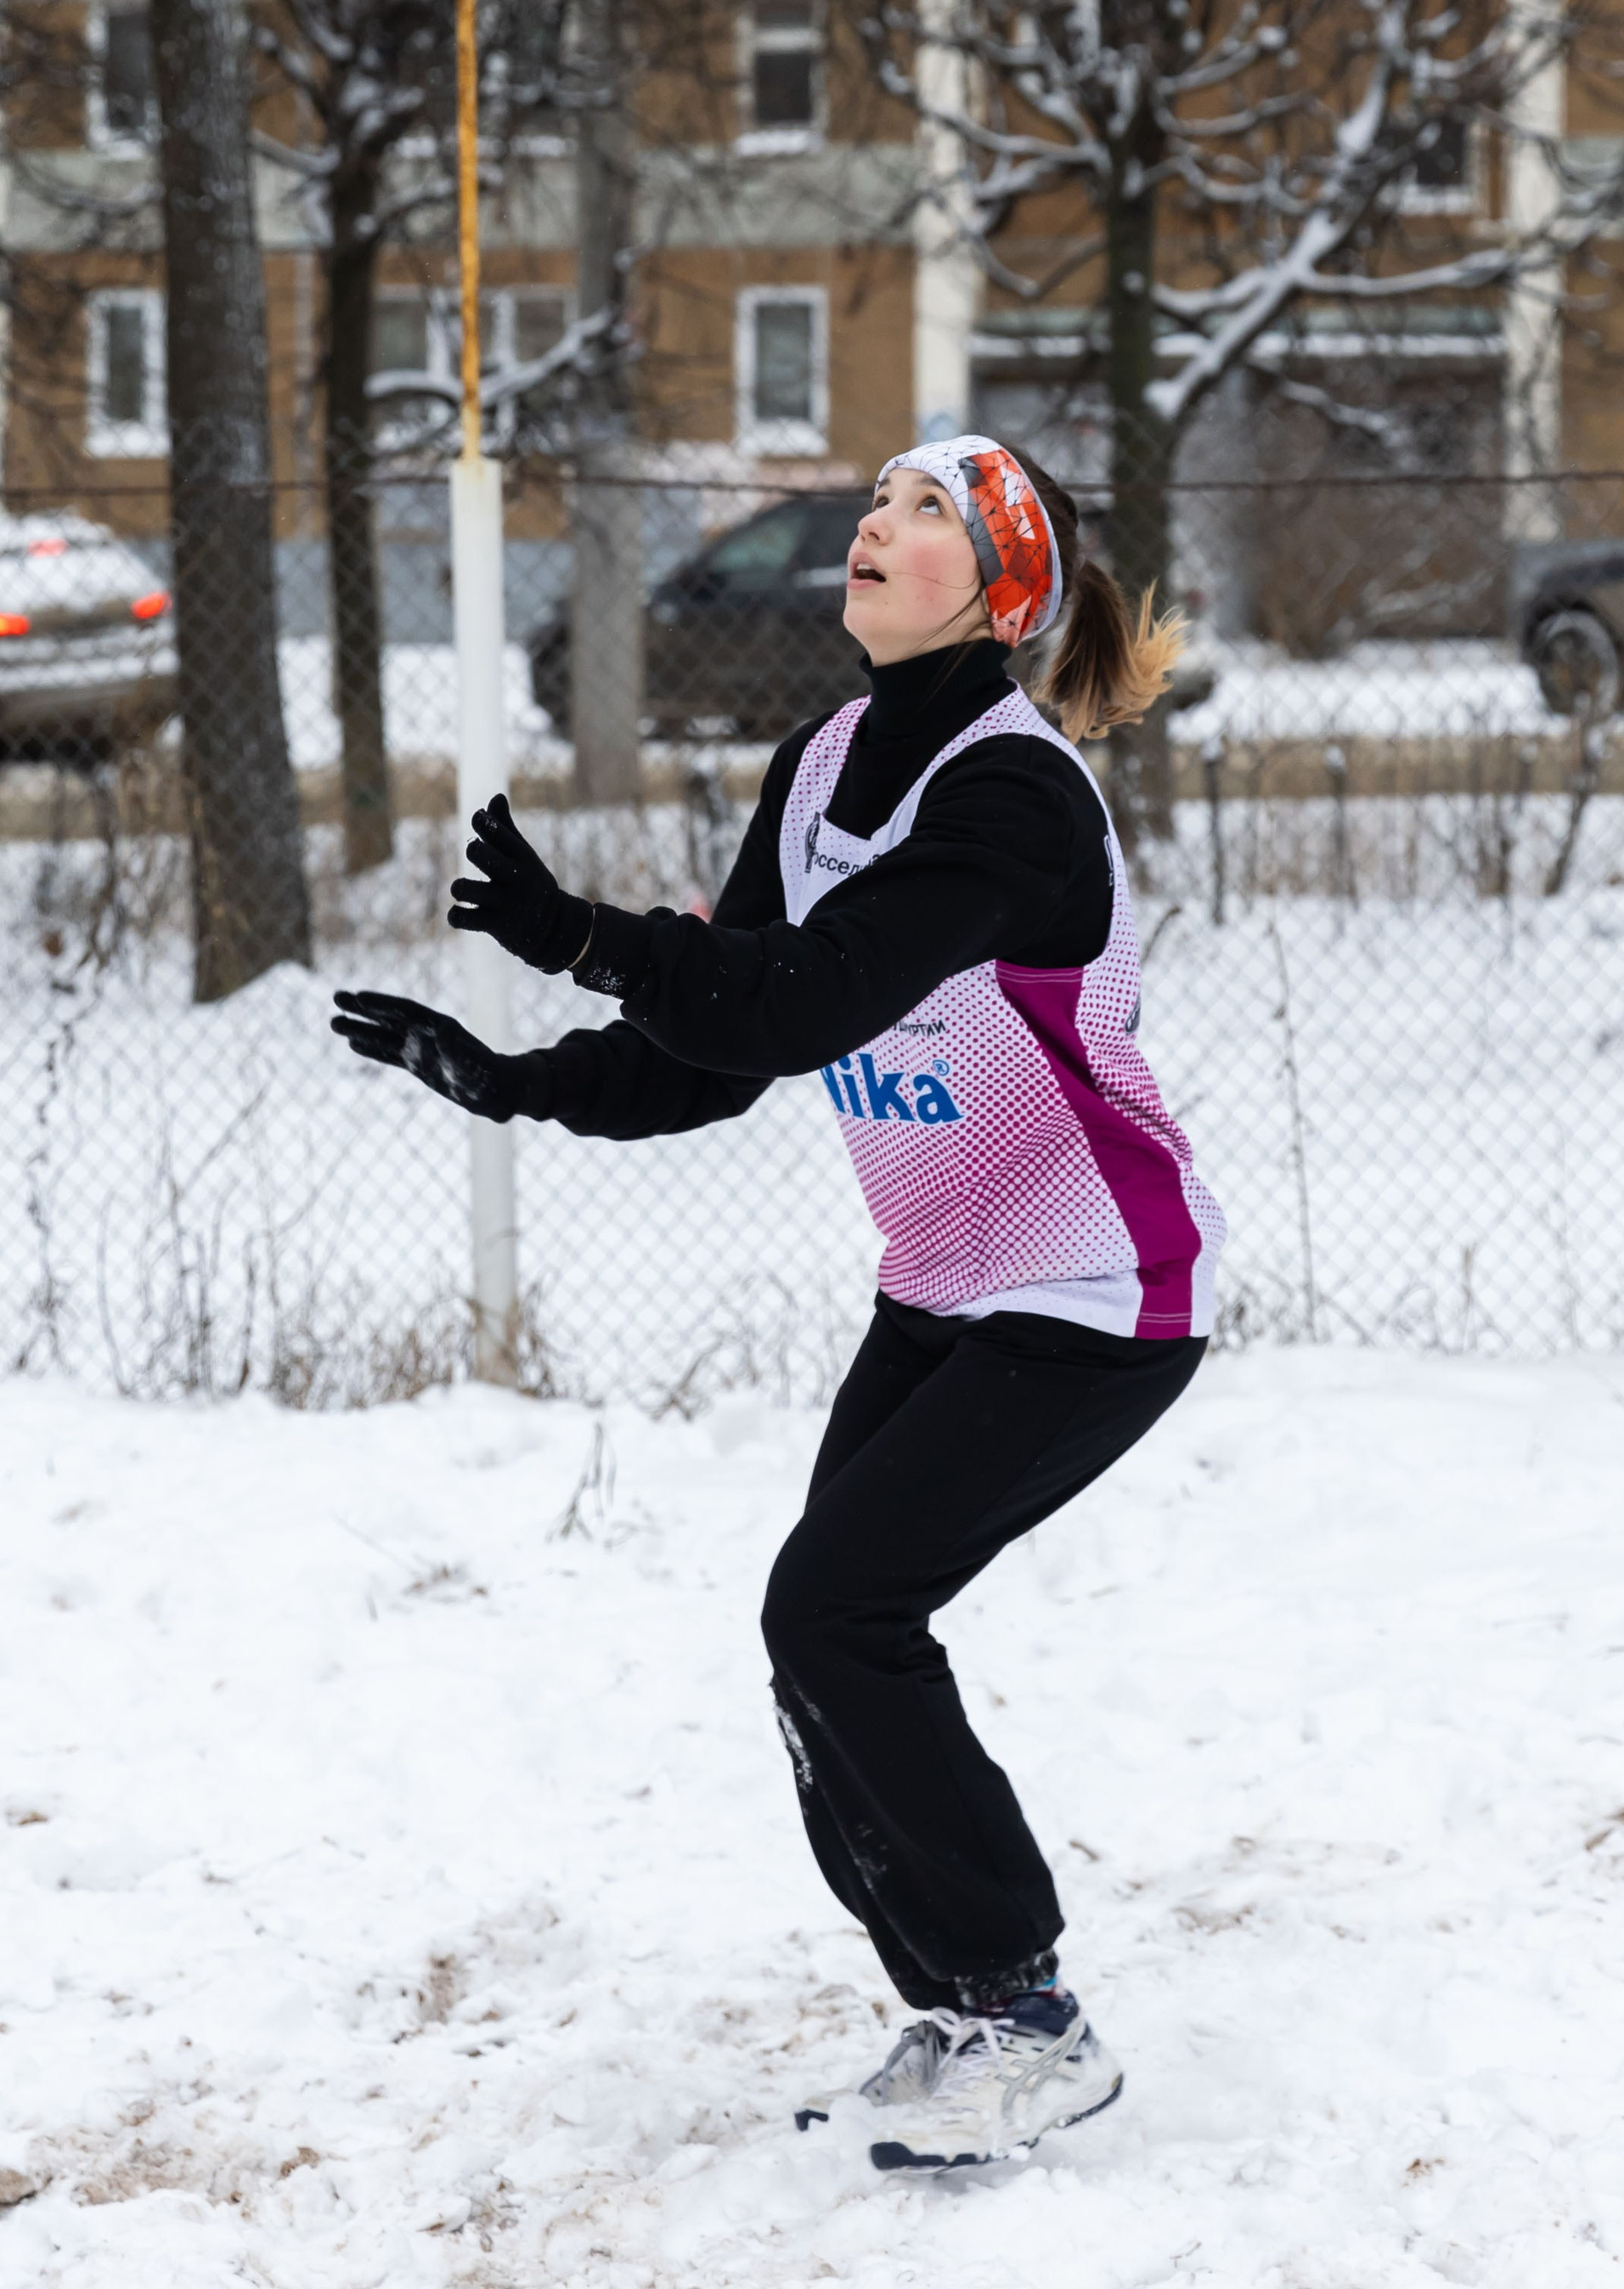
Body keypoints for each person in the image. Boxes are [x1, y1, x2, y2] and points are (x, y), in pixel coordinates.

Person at [331, 437, 1225, 2169]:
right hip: (944, 1273)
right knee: (816, 1633)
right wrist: (518, 1079)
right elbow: (719, 1042)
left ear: (1001, 588)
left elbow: (814, 994)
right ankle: (965, 2008)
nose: (877, 527)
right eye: (879, 500)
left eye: (929, 515)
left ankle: (1028, 2011)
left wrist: (587, 935)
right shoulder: (819, 761)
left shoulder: (1011, 792)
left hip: (1100, 1283)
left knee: (838, 1610)